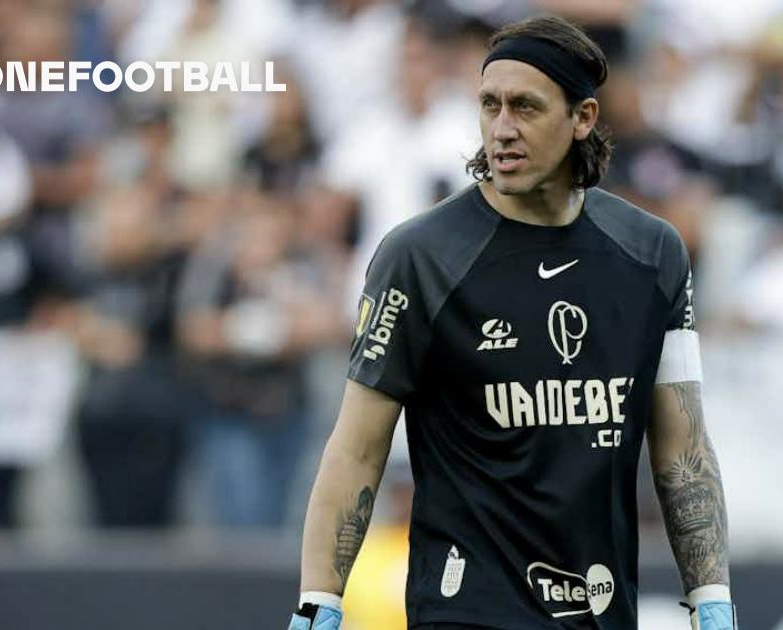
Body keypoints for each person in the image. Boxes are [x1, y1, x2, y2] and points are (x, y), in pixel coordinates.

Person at [289, 15, 737, 630]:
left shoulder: (652, 255)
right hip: (465, 610)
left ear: (582, 118)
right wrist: (320, 600)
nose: (502, 128)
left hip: (598, 611)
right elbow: (356, 447)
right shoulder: (421, 258)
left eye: (525, 107)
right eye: (489, 106)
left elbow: (682, 442)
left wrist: (711, 593)